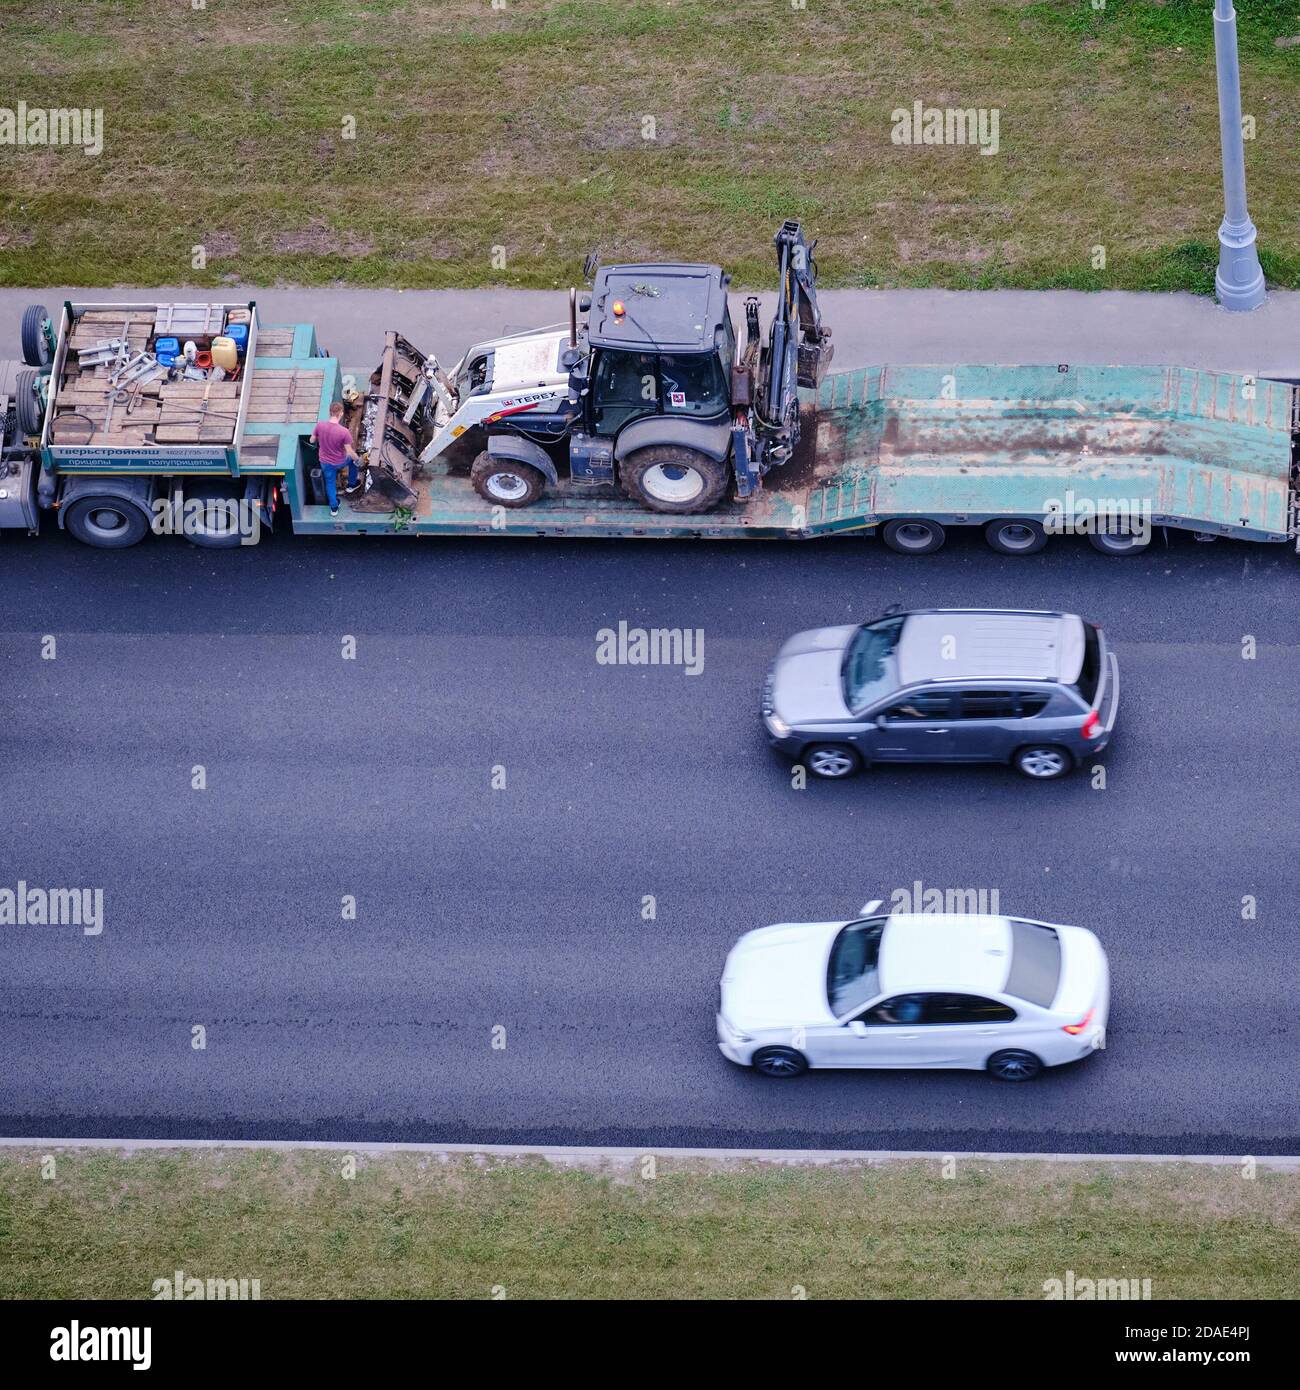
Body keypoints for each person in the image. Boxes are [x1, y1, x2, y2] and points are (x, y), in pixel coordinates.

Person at [311, 402, 362, 517]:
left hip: (324, 462)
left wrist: (318, 437)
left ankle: (334, 508)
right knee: (353, 461)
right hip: (339, 462)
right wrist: (359, 460)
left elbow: (312, 440)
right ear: (341, 413)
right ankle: (351, 485)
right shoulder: (344, 432)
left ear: (330, 412)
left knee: (330, 483)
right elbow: (349, 451)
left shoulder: (320, 425)